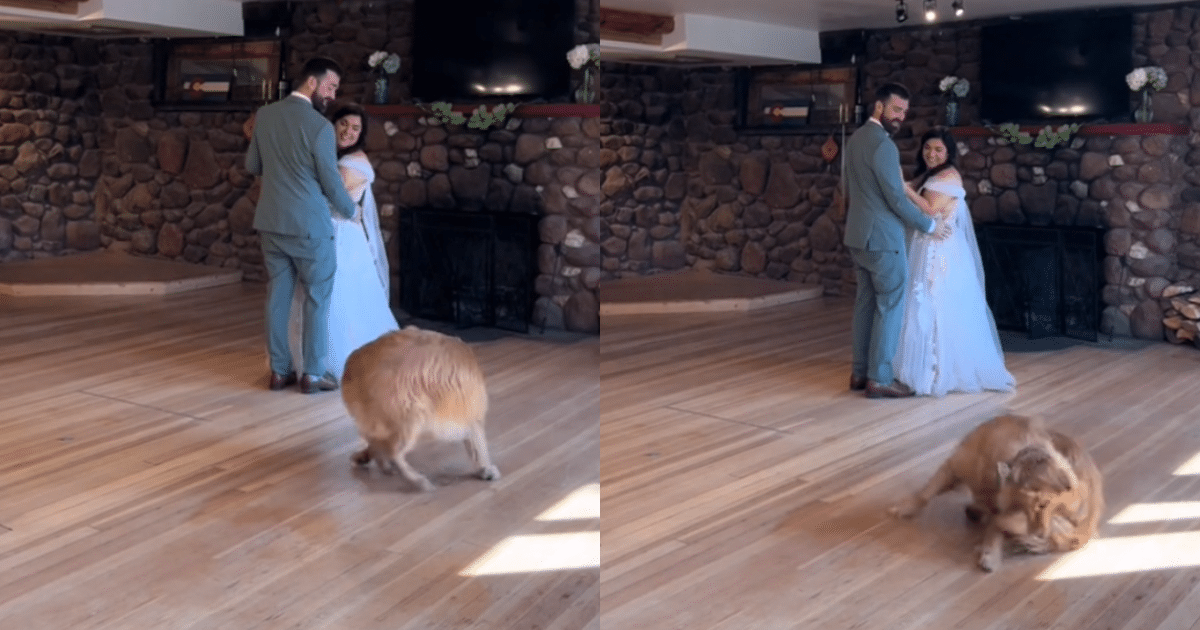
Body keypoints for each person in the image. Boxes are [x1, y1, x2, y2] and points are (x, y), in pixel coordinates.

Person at [245, 57, 358, 394]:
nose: (333, 94)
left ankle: (279, 372)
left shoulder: (264, 116)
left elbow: (253, 164)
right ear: (312, 82)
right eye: (331, 86)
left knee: (278, 296)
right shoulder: (320, 127)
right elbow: (331, 182)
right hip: (309, 226)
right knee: (318, 299)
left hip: (270, 222)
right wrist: (351, 211)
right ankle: (312, 373)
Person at [842, 82, 950, 399]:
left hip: (858, 236)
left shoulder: (856, 139)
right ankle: (880, 378)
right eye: (896, 109)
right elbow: (896, 200)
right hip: (883, 240)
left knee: (865, 304)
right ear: (879, 106)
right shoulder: (884, 145)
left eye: (904, 111)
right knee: (890, 306)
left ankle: (859, 374)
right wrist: (929, 226)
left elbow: (854, 189)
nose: (900, 116)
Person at [894, 127, 1016, 396]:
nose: (932, 154)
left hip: (941, 251)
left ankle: (937, 369)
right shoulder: (931, 175)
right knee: (923, 302)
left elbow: (931, 209)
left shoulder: (948, 175)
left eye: (938, 149)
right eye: (927, 148)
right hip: (930, 244)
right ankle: (924, 365)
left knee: (935, 301)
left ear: (948, 153)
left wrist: (905, 189)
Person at [287, 104, 399, 380]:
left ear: (361, 134)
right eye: (344, 125)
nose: (348, 132)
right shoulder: (326, 154)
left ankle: (332, 364)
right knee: (307, 297)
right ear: (332, 125)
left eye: (355, 128)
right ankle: (300, 362)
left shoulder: (356, 162)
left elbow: (326, 193)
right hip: (315, 233)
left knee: (338, 299)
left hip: (340, 238)